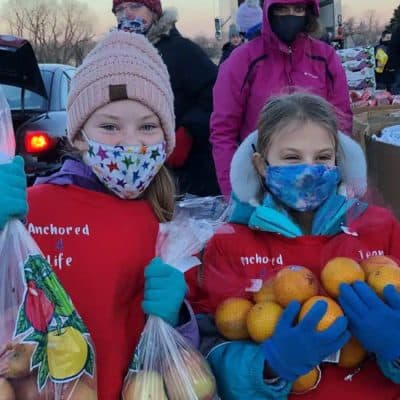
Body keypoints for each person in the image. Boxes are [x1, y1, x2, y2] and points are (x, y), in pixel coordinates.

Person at [0, 30, 199, 400]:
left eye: (147, 126)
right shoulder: (33, 209)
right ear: (78, 136)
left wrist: (180, 318)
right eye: (109, 126)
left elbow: (184, 356)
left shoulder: (169, 224)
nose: (130, 143)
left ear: (166, 138)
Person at [190, 93, 400, 399]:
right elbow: (206, 351)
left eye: (323, 158)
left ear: (338, 162)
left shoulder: (380, 229)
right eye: (291, 158)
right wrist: (268, 365)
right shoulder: (230, 244)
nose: (308, 170)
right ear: (261, 165)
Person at [211, 0, 353, 198]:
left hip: (317, 183)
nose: (290, 16)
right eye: (282, 9)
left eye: (298, 9)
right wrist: (235, 193)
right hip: (260, 185)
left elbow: (342, 124)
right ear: (268, 12)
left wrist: (341, 179)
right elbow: (223, 132)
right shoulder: (242, 61)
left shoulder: (325, 58)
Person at [112, 0, 220, 197]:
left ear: (154, 12)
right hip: (136, 165)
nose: (127, 14)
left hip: (187, 172)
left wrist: (188, 133)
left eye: (135, 6)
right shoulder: (117, 57)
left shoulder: (183, 51)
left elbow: (214, 95)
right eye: (119, 9)